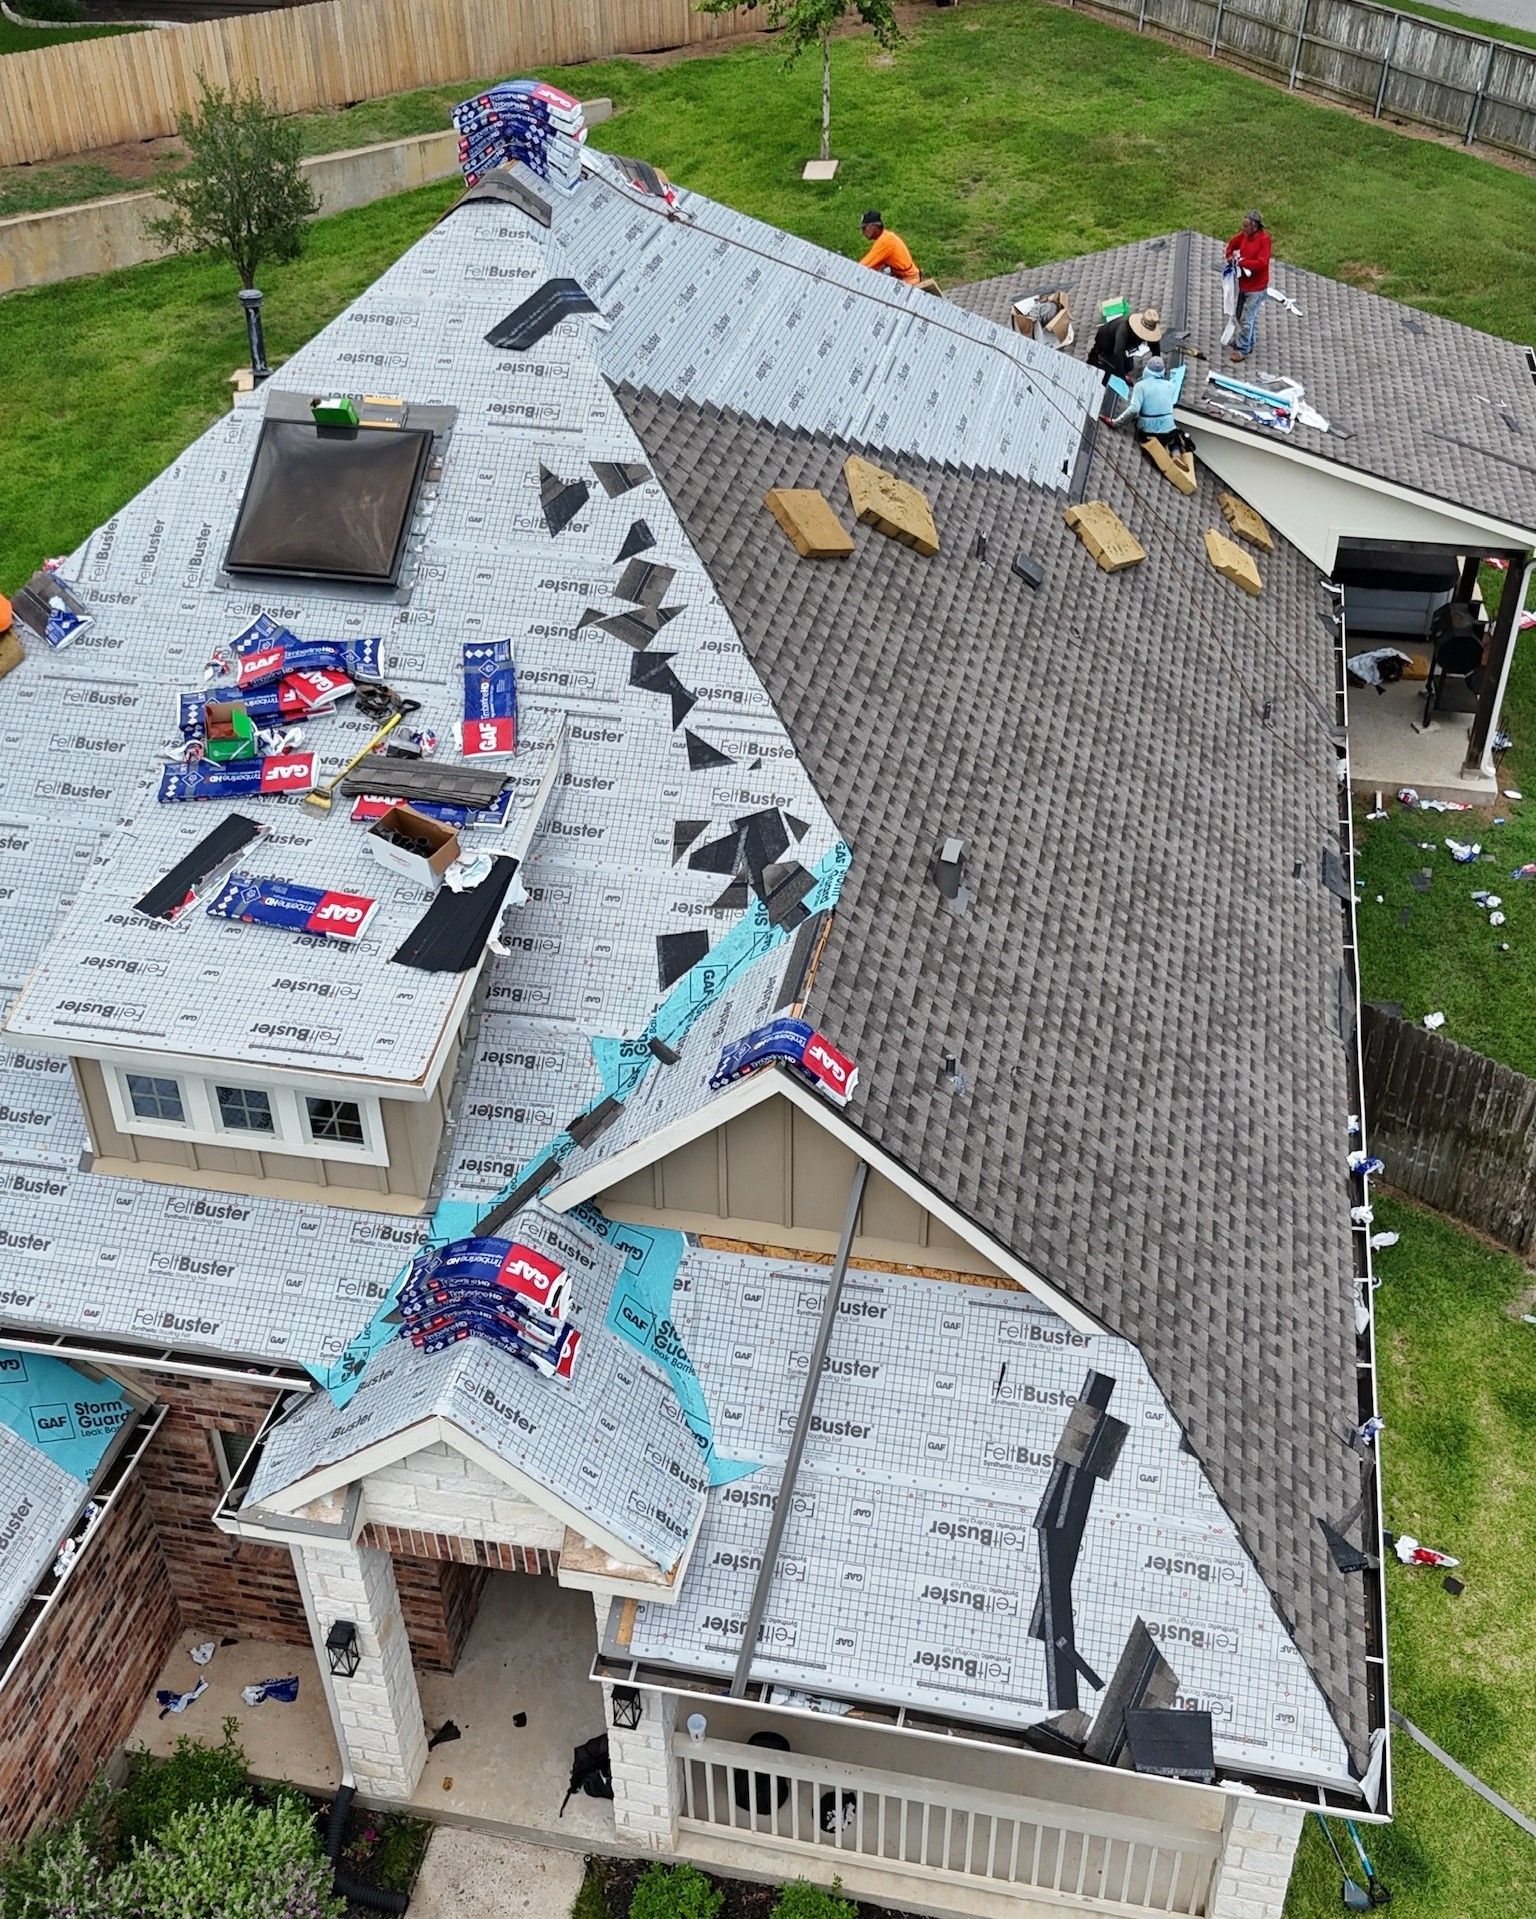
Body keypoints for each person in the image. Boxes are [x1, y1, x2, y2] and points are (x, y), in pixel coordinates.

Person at [1086, 305, 1161, 419]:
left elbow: (1155, 346)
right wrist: (1122, 375)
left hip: (1124, 348)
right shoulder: (1123, 329)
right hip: (1106, 347)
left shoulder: (1145, 330)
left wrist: (1157, 366)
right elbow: (1117, 353)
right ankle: (1099, 360)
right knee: (1109, 374)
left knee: (1129, 366)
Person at [1110, 356, 1191, 454]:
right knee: (1176, 438)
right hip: (1168, 433)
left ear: (1147, 370)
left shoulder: (1140, 386)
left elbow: (1134, 409)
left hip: (1147, 433)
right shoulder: (1171, 386)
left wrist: (1116, 423)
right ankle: (1175, 453)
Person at [1225, 210, 1271, 363]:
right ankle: (1248, 341)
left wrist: (1242, 262)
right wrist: (1229, 255)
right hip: (1244, 284)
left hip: (1257, 288)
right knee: (1239, 315)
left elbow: (1262, 263)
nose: (1243, 229)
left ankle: (1242, 349)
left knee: (1246, 318)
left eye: (1246, 226)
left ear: (1255, 226)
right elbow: (1232, 243)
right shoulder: (1243, 235)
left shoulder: (1264, 240)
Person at [857, 211, 922, 287]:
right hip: (906, 277)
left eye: (864, 228)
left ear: (874, 226)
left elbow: (862, 267)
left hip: (909, 280)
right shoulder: (886, 236)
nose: (862, 232)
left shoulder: (885, 241)